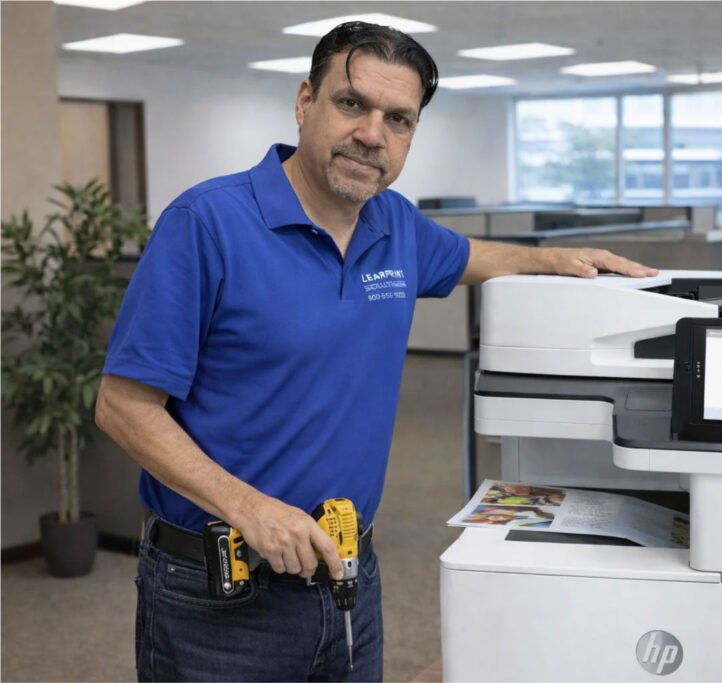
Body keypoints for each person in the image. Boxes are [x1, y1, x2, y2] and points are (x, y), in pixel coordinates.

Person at [94, 20, 656, 683]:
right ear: (306, 101)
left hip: (348, 576)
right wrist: (250, 507)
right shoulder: (206, 224)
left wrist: (554, 259)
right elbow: (122, 406)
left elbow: (473, 256)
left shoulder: (395, 225)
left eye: (398, 119)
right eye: (351, 103)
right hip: (220, 593)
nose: (371, 134)